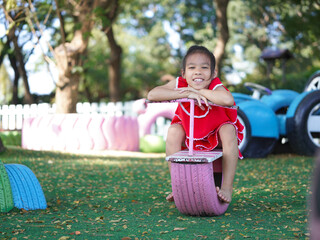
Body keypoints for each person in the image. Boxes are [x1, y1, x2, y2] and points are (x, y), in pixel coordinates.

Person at [147, 45, 244, 203]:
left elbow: (227, 99)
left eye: (204, 68)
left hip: (215, 134)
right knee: (173, 130)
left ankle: (227, 187)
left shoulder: (214, 85)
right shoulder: (181, 83)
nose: (198, 72)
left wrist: (199, 91)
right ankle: (176, 186)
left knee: (228, 129)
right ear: (184, 73)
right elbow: (152, 94)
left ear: (213, 73)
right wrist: (187, 92)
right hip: (190, 137)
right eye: (192, 67)